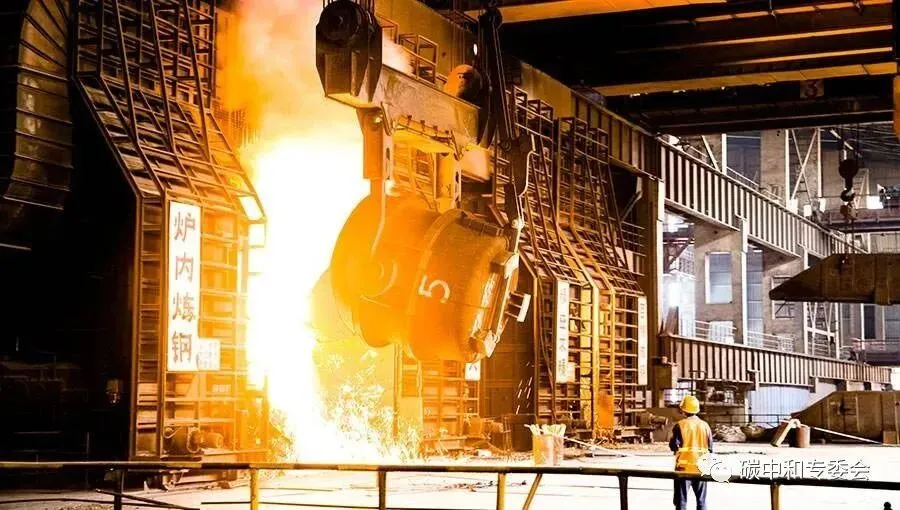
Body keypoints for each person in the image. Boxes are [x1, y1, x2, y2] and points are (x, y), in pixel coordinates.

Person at [669, 395, 713, 510]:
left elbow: (674, 445)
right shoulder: (705, 426)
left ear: (683, 410)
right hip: (701, 468)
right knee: (701, 501)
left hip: (684, 469)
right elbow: (710, 448)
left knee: (681, 502)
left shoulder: (680, 425)